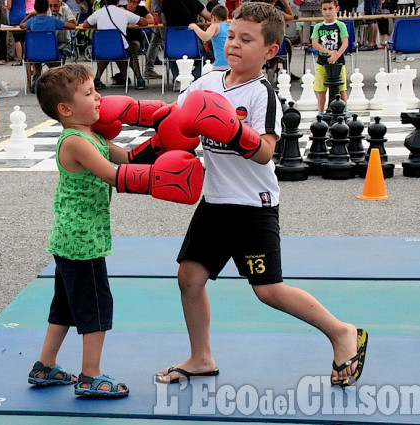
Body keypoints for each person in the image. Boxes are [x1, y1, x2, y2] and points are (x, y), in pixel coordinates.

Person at [155, 2, 367, 388]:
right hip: (215, 202)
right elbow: (173, 122)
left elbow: (267, 150)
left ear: (270, 51)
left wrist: (229, 131)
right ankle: (201, 357)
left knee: (268, 291)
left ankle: (341, 332)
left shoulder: (260, 93)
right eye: (232, 36)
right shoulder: (206, 84)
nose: (234, 44)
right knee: (189, 277)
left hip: (253, 206)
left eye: (246, 39)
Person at [29, 64, 202, 397]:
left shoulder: (93, 135)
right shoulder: (75, 141)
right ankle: (90, 374)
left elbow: (130, 159)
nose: (99, 98)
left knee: (65, 305)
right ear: (65, 109)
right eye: (89, 93)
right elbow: (112, 174)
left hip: (70, 237)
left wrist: (162, 141)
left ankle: (45, 365)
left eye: (96, 90)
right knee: (96, 305)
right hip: (82, 241)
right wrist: (160, 180)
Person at [82, 0, 148, 90]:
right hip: (120, 49)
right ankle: (139, 79)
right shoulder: (123, 12)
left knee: (106, 52)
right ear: (118, 2)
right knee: (131, 52)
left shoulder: (98, 12)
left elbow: (85, 25)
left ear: (105, 1)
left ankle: (97, 79)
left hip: (101, 50)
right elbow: (144, 22)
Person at [20, 0, 70, 93]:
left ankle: (36, 78)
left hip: (33, 54)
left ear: (35, 9)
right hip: (51, 53)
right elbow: (71, 25)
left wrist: (30, 15)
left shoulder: (32, 21)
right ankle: (53, 80)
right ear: (48, 8)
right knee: (55, 61)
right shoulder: (53, 21)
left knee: (36, 57)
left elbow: (21, 25)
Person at [161, 0, 211, 89]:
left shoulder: (166, 2)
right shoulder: (195, 2)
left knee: (171, 56)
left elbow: (164, 21)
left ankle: (177, 78)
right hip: (191, 43)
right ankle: (193, 77)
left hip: (173, 43)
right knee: (207, 55)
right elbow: (209, 17)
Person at [311, 0, 349, 113]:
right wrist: (328, 52)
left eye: (330, 8)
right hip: (322, 62)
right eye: (325, 9)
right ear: (321, 11)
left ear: (337, 9)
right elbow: (315, 44)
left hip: (338, 63)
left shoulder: (340, 25)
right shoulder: (318, 27)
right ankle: (320, 112)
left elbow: (345, 43)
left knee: (341, 89)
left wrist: (336, 55)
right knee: (321, 90)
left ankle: (345, 110)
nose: (328, 12)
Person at [118, 0, 153, 89]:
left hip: (135, 39)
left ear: (138, 3)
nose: (131, 3)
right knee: (119, 50)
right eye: (130, 1)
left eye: (134, 2)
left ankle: (138, 77)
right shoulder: (121, 9)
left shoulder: (141, 9)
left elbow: (151, 19)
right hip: (122, 39)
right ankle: (124, 77)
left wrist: (135, 19)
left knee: (132, 48)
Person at [188, 4, 229, 71]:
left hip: (220, 64)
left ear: (213, 17)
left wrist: (194, 27)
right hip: (232, 64)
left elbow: (205, 37)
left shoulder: (215, 26)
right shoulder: (230, 26)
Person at [7, 0, 27, 65]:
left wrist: (5, 6)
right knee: (24, 38)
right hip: (23, 15)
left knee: (17, 39)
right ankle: (26, 57)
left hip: (14, 16)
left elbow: (9, 6)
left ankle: (19, 59)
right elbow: (25, 5)